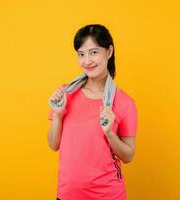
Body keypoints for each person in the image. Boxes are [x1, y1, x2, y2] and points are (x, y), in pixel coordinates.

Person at [47, 24, 138, 200]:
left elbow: (128, 156)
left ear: (109, 52)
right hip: (67, 194)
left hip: (108, 195)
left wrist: (110, 133)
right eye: (81, 54)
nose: (86, 61)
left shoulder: (124, 103)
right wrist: (58, 114)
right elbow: (53, 145)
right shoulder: (66, 94)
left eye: (94, 52)